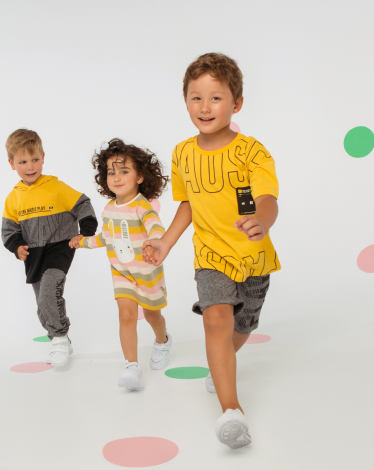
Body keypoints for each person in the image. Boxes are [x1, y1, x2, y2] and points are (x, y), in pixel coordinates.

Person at [143, 53, 280, 448]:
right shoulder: (183, 153)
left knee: (243, 326)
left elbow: (267, 199)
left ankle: (222, 363)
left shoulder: (252, 152)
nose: (205, 107)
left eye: (216, 98)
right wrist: (166, 242)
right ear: (186, 101)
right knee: (216, 320)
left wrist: (262, 221)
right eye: (196, 97)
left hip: (253, 258)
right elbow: (188, 205)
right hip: (210, 256)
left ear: (237, 103)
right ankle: (231, 411)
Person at [70, 138, 172, 391]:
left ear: (140, 176)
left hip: (147, 272)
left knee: (152, 315)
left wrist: (155, 242)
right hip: (122, 273)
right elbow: (106, 237)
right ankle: (131, 366)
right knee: (126, 315)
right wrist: (83, 242)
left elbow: (155, 227)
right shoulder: (108, 210)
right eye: (111, 172)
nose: (116, 178)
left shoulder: (141, 206)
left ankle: (163, 340)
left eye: (124, 172)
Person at [1, 128, 97, 368]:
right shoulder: (14, 198)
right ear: (12, 164)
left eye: (35, 159)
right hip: (34, 255)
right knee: (43, 304)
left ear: (43, 157)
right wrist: (17, 247)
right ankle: (58, 337)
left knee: (48, 293)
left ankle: (60, 339)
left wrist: (85, 230)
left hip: (60, 248)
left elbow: (83, 204)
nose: (30, 166)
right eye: (23, 162)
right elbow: (9, 229)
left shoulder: (56, 187)